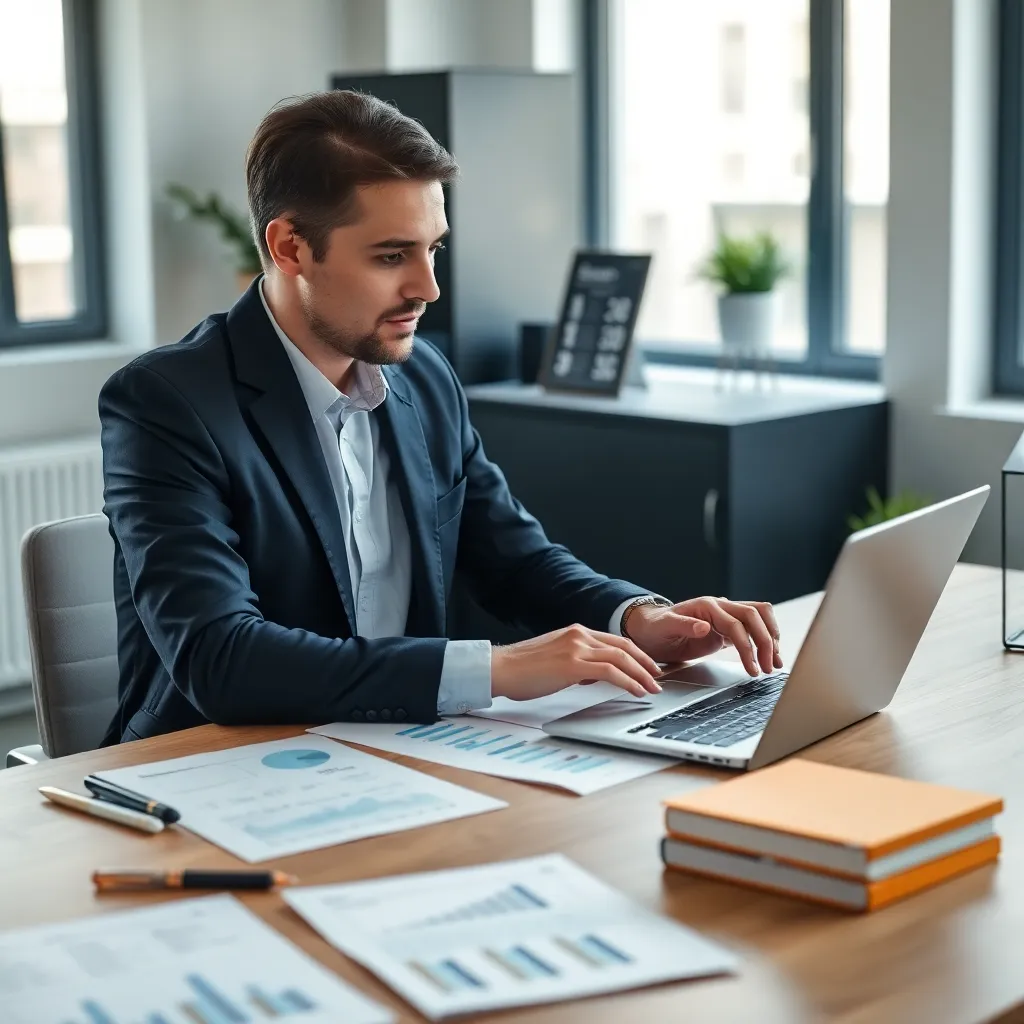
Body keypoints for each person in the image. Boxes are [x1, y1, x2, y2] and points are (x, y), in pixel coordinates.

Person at [98, 90, 782, 745]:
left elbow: (516, 562)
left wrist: (639, 617)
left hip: (398, 746)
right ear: (291, 248)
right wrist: (496, 670)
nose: (427, 288)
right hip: (210, 768)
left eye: (433, 249)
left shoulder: (421, 375)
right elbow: (223, 659)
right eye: (392, 256)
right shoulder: (167, 403)